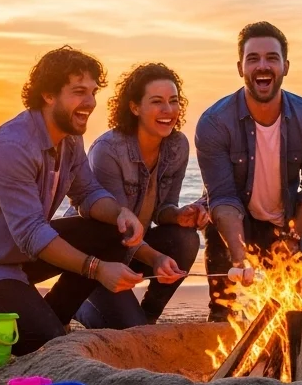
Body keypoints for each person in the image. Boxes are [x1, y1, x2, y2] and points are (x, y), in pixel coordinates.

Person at [0, 46, 147, 356]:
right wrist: (98, 269)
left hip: (18, 254)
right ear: (48, 95)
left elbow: (87, 193)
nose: (89, 102)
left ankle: (50, 317)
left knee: (114, 233)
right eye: (78, 92)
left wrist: (121, 212)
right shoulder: (12, 147)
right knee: (42, 342)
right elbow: (33, 233)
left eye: (92, 92)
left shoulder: (70, 138)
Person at [194, 21, 302, 321]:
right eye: (253, 58)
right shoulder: (214, 123)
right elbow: (223, 198)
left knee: (299, 315)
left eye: (272, 57)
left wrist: (292, 239)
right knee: (223, 305)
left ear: (286, 66)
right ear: (240, 67)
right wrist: (239, 257)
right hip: (234, 223)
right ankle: (220, 316)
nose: (262, 66)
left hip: (284, 227)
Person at [74, 63, 210, 329]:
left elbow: (162, 209)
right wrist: (156, 258)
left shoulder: (177, 145)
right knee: (121, 328)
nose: (168, 110)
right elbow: (117, 230)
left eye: (173, 101)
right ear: (135, 107)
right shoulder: (108, 151)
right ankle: (78, 304)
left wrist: (180, 215)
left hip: (136, 247)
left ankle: (149, 315)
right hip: (100, 253)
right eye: (157, 102)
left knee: (185, 239)